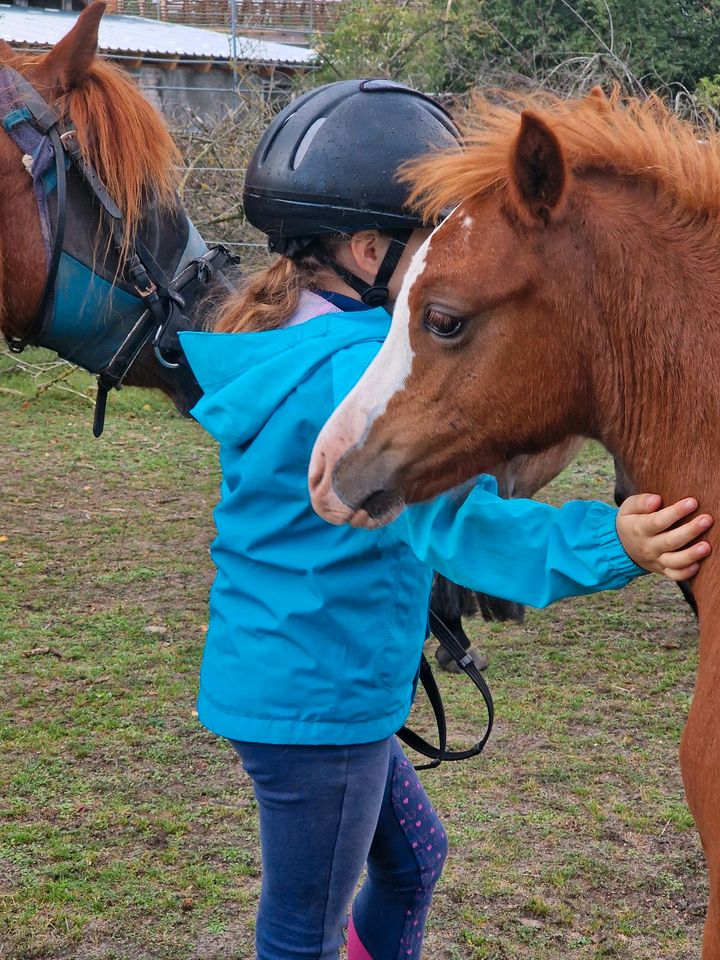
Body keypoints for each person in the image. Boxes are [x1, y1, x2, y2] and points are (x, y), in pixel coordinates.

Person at [179, 80, 712, 960]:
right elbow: (458, 529)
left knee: (415, 863)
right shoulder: (353, 377)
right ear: (367, 251)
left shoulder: (284, 346)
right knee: (301, 928)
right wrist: (610, 541)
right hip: (325, 708)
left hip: (301, 686)